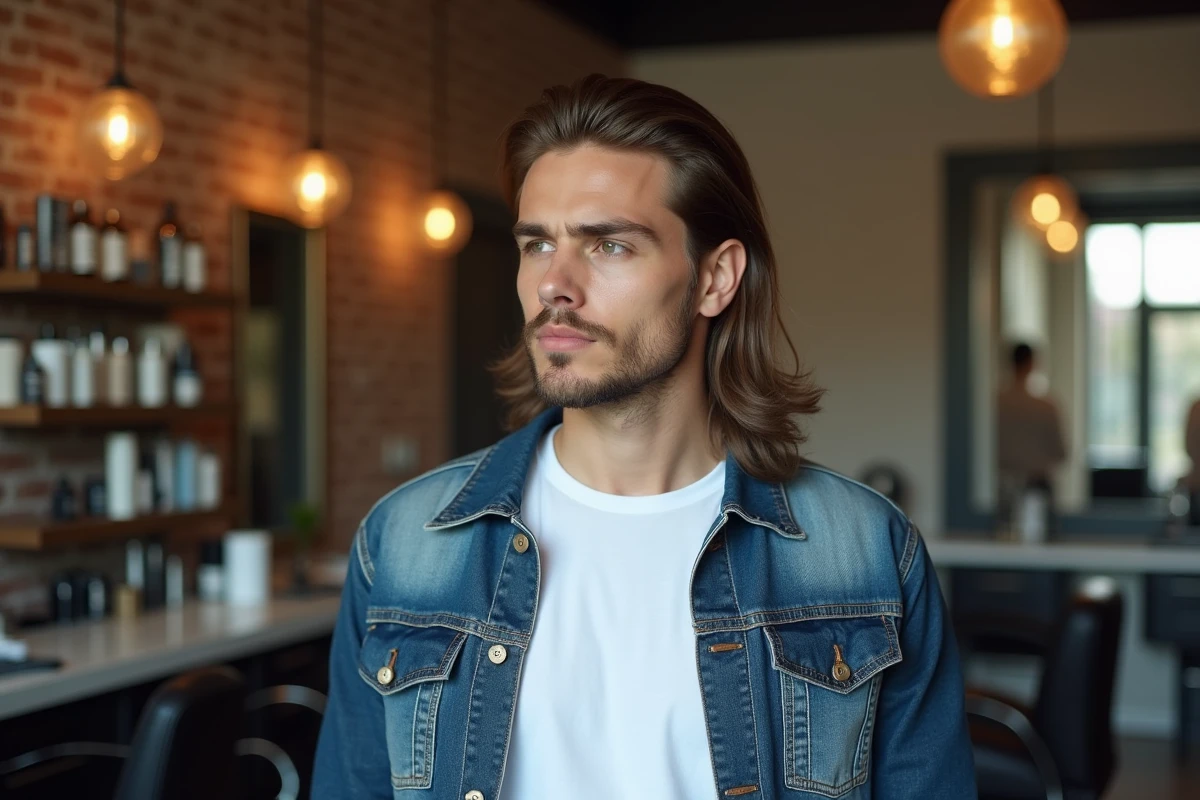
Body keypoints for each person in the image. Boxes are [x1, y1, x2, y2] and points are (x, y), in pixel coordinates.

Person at [312, 75, 975, 800]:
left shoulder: (863, 552)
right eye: (537, 245)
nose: (554, 285)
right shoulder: (407, 544)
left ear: (715, 278)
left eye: (610, 246)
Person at [996, 342, 1067, 499]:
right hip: (1037, 485)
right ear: (1032, 364)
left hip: (1003, 484)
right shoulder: (1046, 406)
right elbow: (1061, 452)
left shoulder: (994, 404)